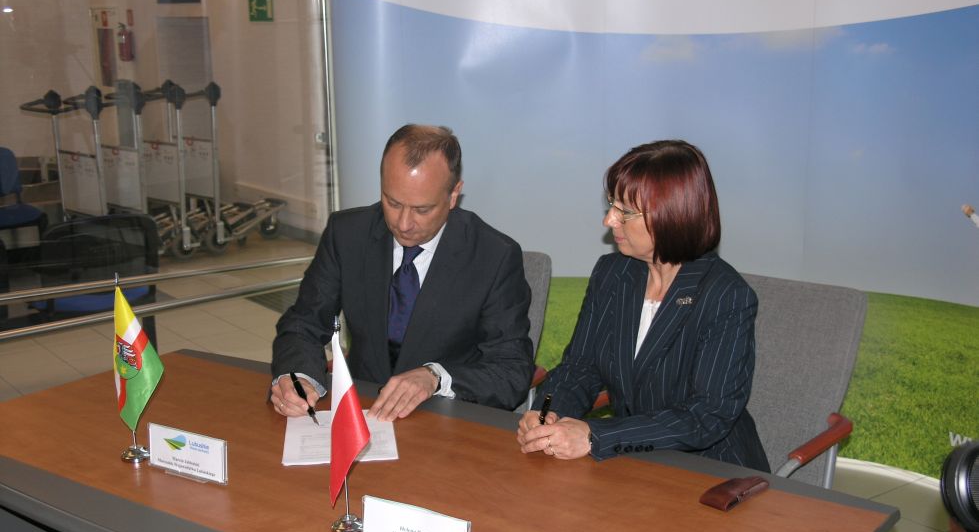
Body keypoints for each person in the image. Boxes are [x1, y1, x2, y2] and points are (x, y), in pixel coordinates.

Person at [517, 139, 769, 471]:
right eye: (611, 205)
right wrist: (548, 412)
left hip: (709, 471)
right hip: (632, 462)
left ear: (671, 215)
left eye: (624, 211)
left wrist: (595, 435)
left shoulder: (726, 295)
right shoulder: (613, 272)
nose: (609, 220)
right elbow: (579, 368)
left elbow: (706, 417)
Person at [271, 123, 534, 421]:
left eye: (422, 210)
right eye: (392, 202)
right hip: (364, 411)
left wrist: (435, 377)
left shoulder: (494, 256)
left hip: (447, 419)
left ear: (453, 195)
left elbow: (511, 371)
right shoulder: (347, 234)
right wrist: (297, 377)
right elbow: (304, 323)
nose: (404, 224)